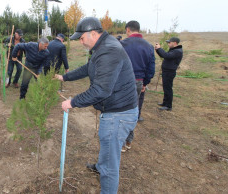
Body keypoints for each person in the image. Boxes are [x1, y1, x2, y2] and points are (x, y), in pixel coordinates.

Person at [54, 17, 138, 194]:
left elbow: (101, 90)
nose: (80, 42)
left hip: (118, 115)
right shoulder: (102, 46)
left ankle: (104, 171)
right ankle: (101, 165)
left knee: (110, 168)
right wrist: (65, 77)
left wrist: (72, 102)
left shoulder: (108, 51)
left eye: (82, 38)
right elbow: (88, 68)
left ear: (93, 33)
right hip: (118, 109)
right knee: (107, 149)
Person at [120, 20, 155, 152]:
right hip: (139, 82)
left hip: (123, 81)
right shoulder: (148, 46)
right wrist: (145, 83)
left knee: (122, 110)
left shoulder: (122, 44)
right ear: (138, 30)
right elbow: (151, 69)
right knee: (134, 110)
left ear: (128, 30)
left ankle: (122, 142)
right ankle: (129, 140)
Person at [155, 37, 183, 111]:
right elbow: (163, 55)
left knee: (168, 88)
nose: (168, 44)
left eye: (169, 42)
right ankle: (165, 102)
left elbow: (166, 56)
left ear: (175, 43)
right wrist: (157, 50)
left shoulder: (177, 51)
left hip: (169, 72)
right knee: (165, 87)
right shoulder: (174, 50)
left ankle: (168, 106)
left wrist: (160, 48)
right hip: (166, 71)